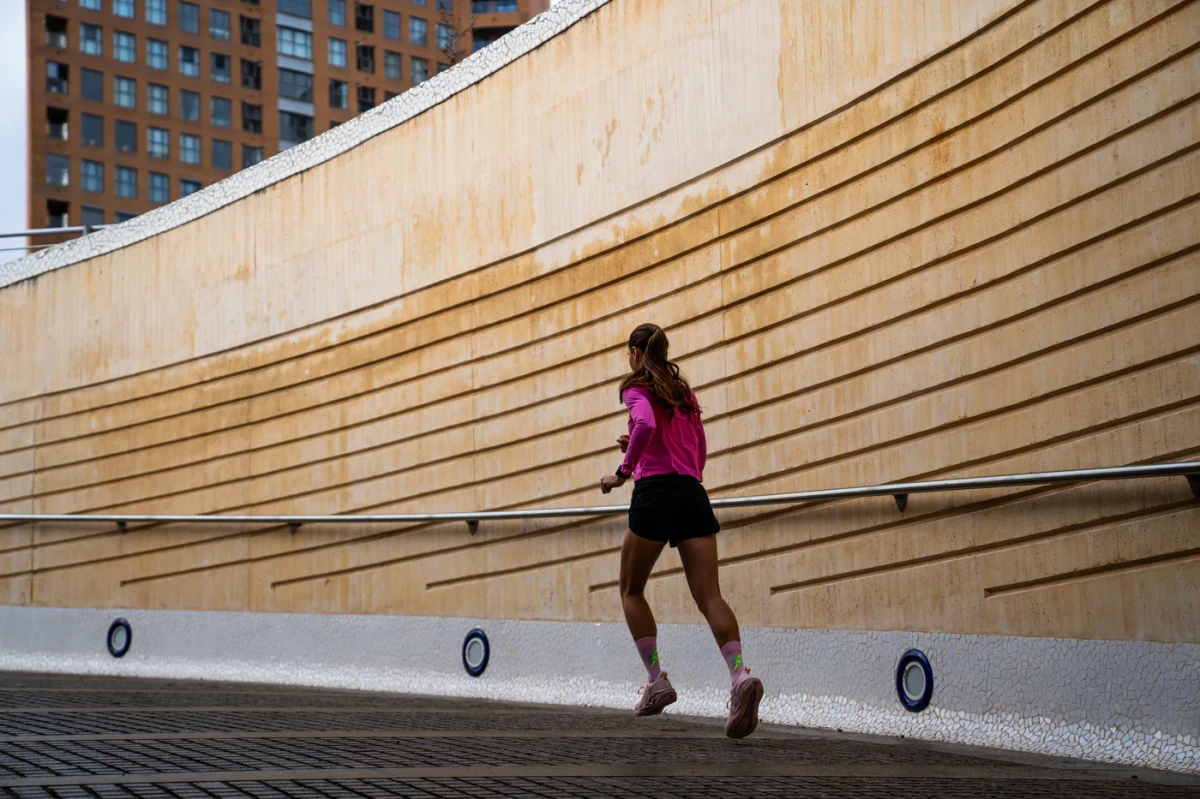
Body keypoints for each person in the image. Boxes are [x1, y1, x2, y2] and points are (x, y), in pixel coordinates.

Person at [600, 323, 765, 739]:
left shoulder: (635, 388)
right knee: (710, 596)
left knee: (631, 589)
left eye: (628, 353)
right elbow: (696, 446)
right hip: (691, 492)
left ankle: (656, 679)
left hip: (655, 495)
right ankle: (739, 675)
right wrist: (671, 467)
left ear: (636, 352)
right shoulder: (682, 392)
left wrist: (624, 471)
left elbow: (646, 424)